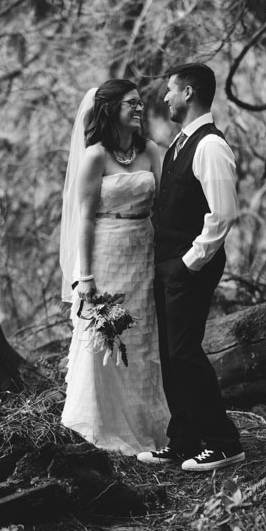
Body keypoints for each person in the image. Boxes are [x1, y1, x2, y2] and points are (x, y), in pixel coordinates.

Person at [137, 63, 244, 472]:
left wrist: (187, 263)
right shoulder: (180, 143)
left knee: (184, 352)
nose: (165, 97)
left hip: (190, 267)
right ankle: (184, 440)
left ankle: (223, 441)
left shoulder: (211, 146)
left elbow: (222, 215)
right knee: (170, 353)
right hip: (169, 266)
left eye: (170, 90)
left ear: (189, 92)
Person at [59, 79, 169, 454]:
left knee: (141, 339)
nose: (139, 109)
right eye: (130, 104)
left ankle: (147, 426)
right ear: (110, 110)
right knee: (105, 339)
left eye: (140, 104)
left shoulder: (150, 151)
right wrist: (86, 277)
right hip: (105, 254)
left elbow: (165, 203)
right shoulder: (95, 156)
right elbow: (85, 218)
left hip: (143, 252)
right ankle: (104, 427)